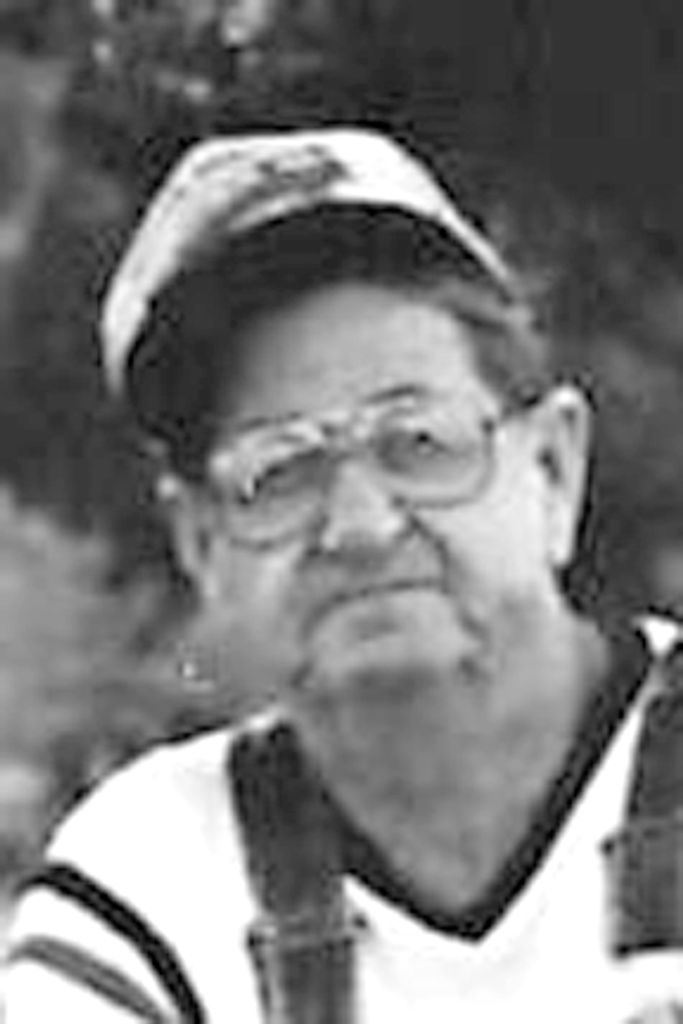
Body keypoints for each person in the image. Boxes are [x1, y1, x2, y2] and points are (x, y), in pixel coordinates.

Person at [3, 126, 683, 1023]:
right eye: (278, 472)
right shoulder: (156, 880)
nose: (360, 526)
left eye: (418, 442)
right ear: (201, 545)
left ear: (554, 470)